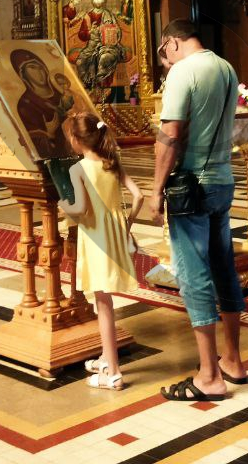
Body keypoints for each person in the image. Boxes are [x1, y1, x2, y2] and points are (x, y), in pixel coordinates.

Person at [146, 19, 245, 401]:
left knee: (193, 274)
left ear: (171, 43)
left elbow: (170, 134)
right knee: (223, 267)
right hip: (222, 179)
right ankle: (232, 360)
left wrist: (156, 189)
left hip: (192, 186)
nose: (166, 63)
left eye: (164, 55)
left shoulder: (184, 71)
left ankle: (209, 375)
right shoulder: (226, 67)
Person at [58, 114, 143, 390]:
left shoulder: (79, 169)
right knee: (104, 300)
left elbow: (80, 209)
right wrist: (126, 226)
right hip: (114, 235)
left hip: (95, 239)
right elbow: (139, 196)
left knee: (103, 304)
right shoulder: (111, 162)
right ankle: (106, 358)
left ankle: (113, 373)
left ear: (75, 139)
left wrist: (63, 205)